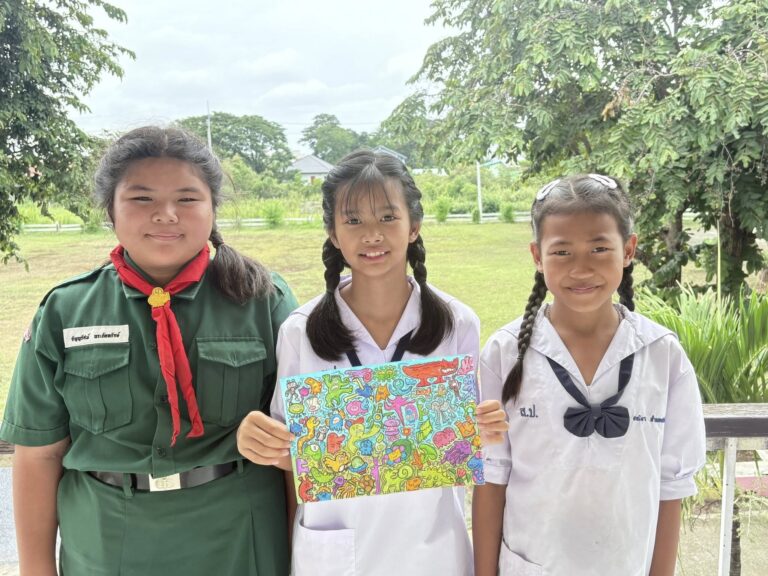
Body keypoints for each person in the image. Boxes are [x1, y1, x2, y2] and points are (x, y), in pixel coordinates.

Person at [0, 126, 297, 576]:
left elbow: (302, 447)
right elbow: (39, 453)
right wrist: (35, 569)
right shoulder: (65, 311)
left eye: (187, 198)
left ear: (212, 208)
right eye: (142, 198)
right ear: (110, 209)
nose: (166, 215)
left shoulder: (264, 301)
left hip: (240, 538)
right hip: (104, 544)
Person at [237, 150, 508, 576]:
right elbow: (294, 459)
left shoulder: (458, 324)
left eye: (387, 217)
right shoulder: (300, 331)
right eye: (353, 221)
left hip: (432, 547)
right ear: (332, 233)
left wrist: (482, 430)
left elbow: (473, 448)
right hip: (334, 550)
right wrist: (265, 444)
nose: (372, 235)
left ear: (414, 226)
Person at [473, 174, 707, 576]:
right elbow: (491, 476)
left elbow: (672, 485)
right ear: (537, 256)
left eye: (599, 248)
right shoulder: (504, 353)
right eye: (562, 252)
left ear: (628, 250)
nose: (581, 269)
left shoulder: (662, 354)